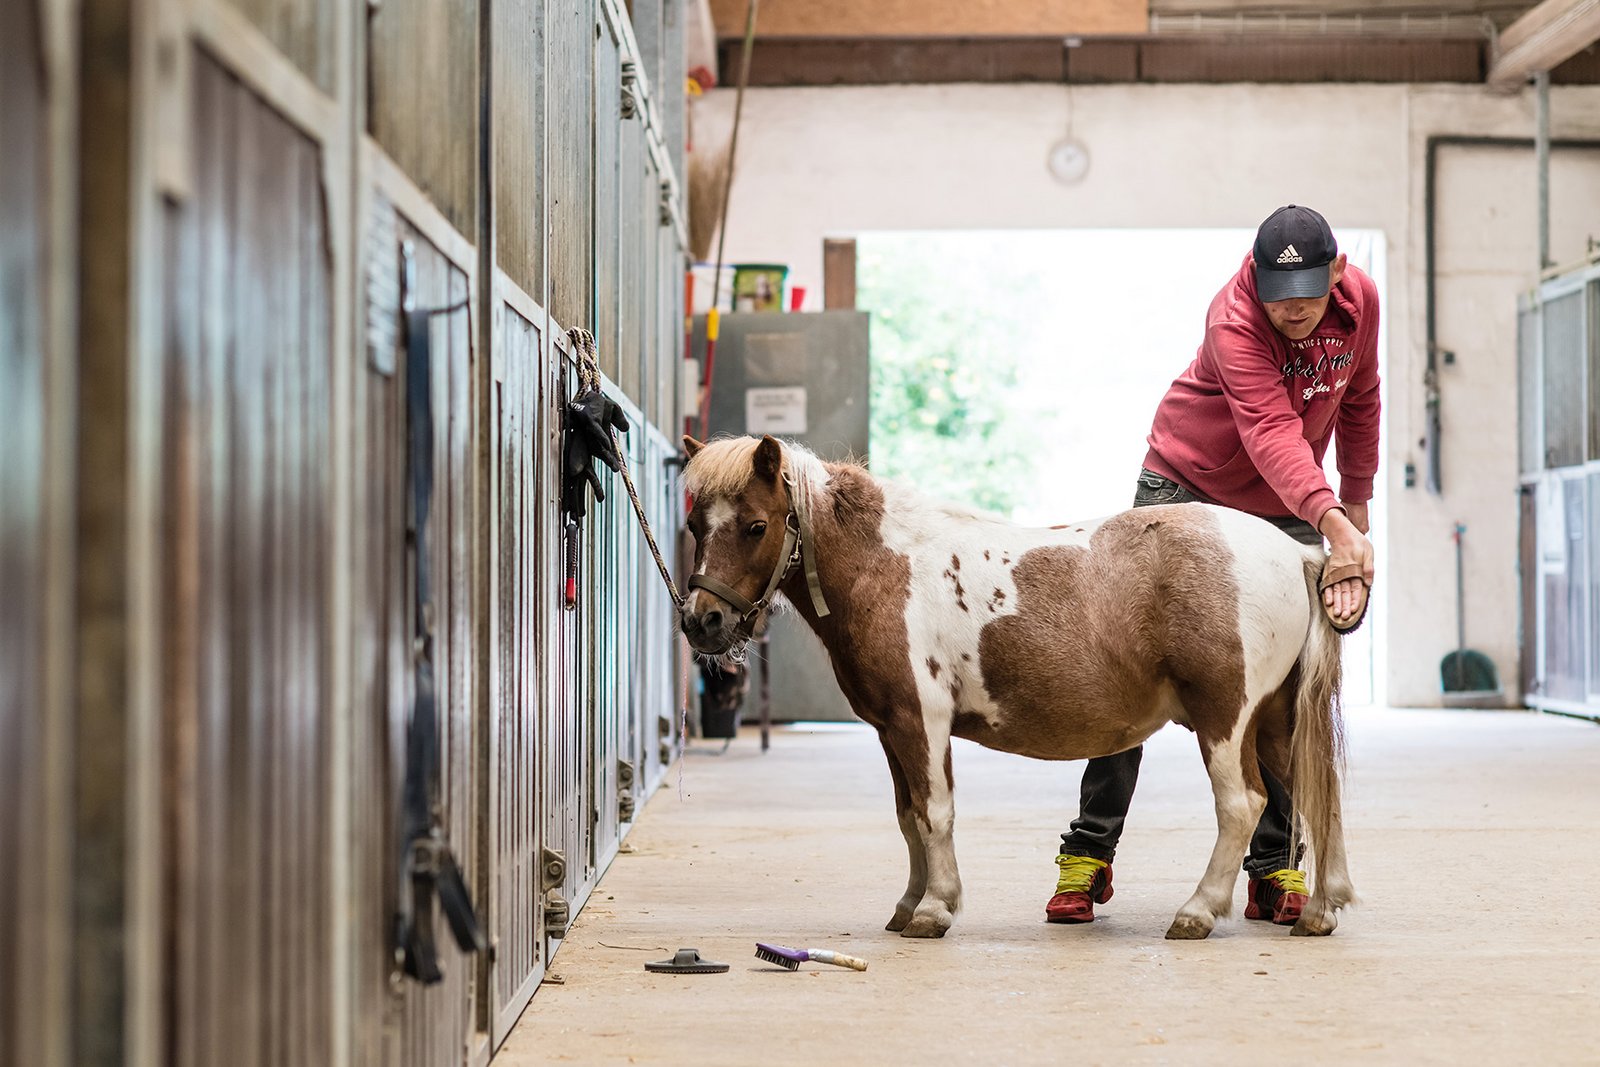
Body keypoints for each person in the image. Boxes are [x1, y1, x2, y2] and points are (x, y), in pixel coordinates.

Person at [1047, 204, 1379, 928]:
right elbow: (1268, 432)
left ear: (1341, 277)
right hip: (1185, 480)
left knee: (1285, 689)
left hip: (1290, 504)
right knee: (1124, 667)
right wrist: (1330, 519)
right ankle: (1089, 853)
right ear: (1252, 279)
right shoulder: (1232, 318)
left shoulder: (1363, 306)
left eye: (1308, 296)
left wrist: (1356, 512)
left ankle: (1274, 866)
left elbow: (1360, 400)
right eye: (1276, 295)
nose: (1291, 310)